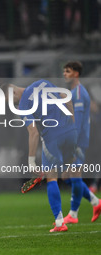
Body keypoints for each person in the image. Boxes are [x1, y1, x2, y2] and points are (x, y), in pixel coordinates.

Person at [4, 79, 77, 232]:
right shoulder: (42, 83)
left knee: (52, 178)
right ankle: (90, 203)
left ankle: (59, 223)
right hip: (71, 132)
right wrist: (73, 123)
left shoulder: (23, 105)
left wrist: (31, 161)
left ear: (13, 92)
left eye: (10, 100)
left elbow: (34, 132)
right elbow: (65, 95)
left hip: (52, 137)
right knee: (70, 170)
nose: (13, 105)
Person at [62, 61, 101, 224]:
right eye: (64, 71)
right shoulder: (75, 91)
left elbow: (76, 121)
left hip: (78, 140)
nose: (64, 74)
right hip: (79, 139)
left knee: (72, 175)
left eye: (68, 71)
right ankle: (93, 203)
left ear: (76, 73)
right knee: (70, 176)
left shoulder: (78, 92)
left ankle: (75, 213)